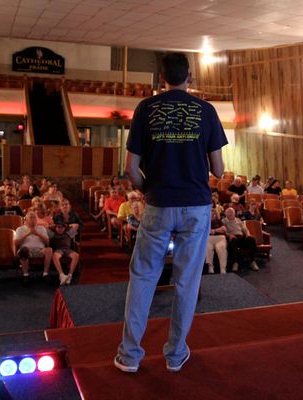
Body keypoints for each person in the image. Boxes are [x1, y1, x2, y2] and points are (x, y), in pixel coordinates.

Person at [115, 52, 227, 374]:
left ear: (161, 78)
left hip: (159, 203)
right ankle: (176, 355)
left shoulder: (145, 108)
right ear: (189, 77)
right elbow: (219, 170)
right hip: (196, 205)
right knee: (187, 281)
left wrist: (149, 189)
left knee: (143, 277)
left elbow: (130, 169)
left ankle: (130, 356)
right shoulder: (206, 110)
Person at [14, 211, 53, 285]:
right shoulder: (20, 229)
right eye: (31, 217)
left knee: (49, 250)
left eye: (34, 217)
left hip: (40, 250)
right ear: (26, 220)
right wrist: (28, 234)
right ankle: (26, 275)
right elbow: (16, 243)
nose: (33, 219)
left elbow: (47, 242)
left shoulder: (42, 228)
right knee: (23, 250)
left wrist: (37, 234)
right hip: (27, 251)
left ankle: (45, 274)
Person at [222, 207, 259, 272]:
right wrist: (229, 235)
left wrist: (247, 234)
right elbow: (224, 231)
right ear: (225, 214)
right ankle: (235, 262)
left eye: (232, 212)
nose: (230, 214)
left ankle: (252, 261)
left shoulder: (238, 220)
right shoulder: (224, 221)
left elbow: (245, 229)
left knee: (251, 239)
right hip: (232, 237)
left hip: (241, 236)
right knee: (234, 241)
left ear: (234, 213)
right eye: (228, 212)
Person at [206, 208, 228, 274]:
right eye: (211, 214)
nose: (213, 215)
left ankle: (222, 268)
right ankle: (210, 266)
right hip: (209, 238)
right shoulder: (205, 222)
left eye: (214, 214)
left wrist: (214, 230)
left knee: (221, 248)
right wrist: (218, 230)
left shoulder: (219, 221)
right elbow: (204, 231)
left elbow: (224, 229)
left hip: (220, 238)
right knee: (208, 248)